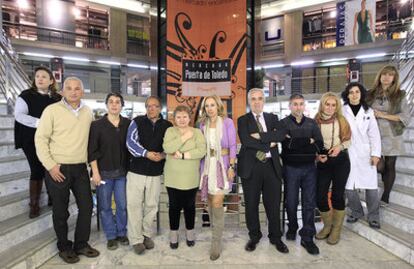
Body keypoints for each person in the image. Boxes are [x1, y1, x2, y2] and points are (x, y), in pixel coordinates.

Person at [35, 77, 99, 264]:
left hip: (80, 168)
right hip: (58, 168)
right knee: (61, 211)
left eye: (77, 88)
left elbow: (90, 141)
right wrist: (50, 165)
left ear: (82, 91)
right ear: (62, 91)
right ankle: (64, 245)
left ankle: (81, 243)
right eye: (69, 88)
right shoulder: (52, 110)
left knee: (87, 207)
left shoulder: (88, 112)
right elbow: (40, 139)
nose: (73, 91)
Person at [237, 88, 289, 254]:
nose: (257, 101)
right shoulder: (243, 120)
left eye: (260, 98)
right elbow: (246, 141)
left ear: (264, 100)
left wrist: (261, 136)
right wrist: (269, 141)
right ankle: (254, 236)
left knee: (273, 204)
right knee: (251, 204)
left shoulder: (272, 118)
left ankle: (276, 237)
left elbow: (282, 135)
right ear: (249, 102)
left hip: (271, 167)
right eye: (253, 99)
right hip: (251, 167)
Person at [126, 96, 172, 255]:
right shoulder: (137, 121)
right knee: (134, 205)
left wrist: (164, 154)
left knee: (152, 205)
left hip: (155, 172)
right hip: (136, 171)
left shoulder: (168, 125)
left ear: (160, 108)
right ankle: (135, 239)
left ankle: (146, 235)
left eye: (155, 106)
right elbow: (130, 143)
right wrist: (146, 153)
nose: (151, 109)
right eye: (148, 106)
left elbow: (172, 144)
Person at [14, 66, 61, 218]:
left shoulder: (56, 99)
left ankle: (52, 197)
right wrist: (41, 123)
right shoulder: (26, 95)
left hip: (51, 139)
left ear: (51, 81)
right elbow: (19, 116)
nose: (40, 79)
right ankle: (34, 204)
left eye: (44, 77)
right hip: (30, 138)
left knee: (50, 167)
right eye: (37, 76)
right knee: (36, 169)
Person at [281, 94, 323, 255]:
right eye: (295, 104)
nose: (298, 107)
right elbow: (287, 145)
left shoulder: (312, 123)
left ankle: (307, 237)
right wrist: (308, 142)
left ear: (304, 106)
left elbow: (319, 143)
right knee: (290, 202)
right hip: (290, 168)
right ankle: (292, 226)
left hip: (309, 169)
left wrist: (297, 142)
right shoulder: (283, 123)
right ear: (290, 106)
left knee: (309, 203)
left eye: (301, 104)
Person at [88, 93, 131, 250]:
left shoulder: (128, 124)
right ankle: (111, 236)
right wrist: (95, 173)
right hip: (103, 173)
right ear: (106, 105)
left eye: (117, 102)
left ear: (122, 105)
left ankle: (121, 232)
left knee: (122, 205)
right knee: (105, 206)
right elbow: (92, 151)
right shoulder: (97, 125)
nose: (114, 105)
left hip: (122, 173)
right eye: (111, 102)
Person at [198, 95, 237, 260]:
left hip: (223, 166)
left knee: (217, 203)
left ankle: (216, 242)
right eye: (207, 106)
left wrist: (232, 166)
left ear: (218, 106)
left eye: (212, 105)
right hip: (207, 167)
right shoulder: (202, 124)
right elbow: (201, 148)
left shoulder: (227, 122)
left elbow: (233, 145)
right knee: (209, 204)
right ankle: (216, 233)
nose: (210, 108)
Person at [163, 105, 206, 249]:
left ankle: (190, 234)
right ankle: (173, 235)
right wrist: (184, 138)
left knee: (189, 206)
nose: (182, 120)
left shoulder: (197, 132)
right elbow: (168, 148)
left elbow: (201, 150)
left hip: (190, 176)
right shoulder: (170, 130)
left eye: (185, 117)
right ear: (174, 119)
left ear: (189, 118)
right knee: (174, 207)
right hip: (173, 176)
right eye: (178, 117)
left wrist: (182, 155)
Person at [366, 65, 410, 205]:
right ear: (379, 76)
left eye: (390, 75)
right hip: (373, 134)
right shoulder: (370, 93)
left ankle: (386, 195)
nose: (386, 77)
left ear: (394, 78)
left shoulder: (400, 94)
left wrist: (383, 115)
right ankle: (383, 184)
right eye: (384, 74)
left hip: (391, 134)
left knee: (391, 164)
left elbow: (405, 116)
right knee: (379, 165)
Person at [341, 82, 382, 229]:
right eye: (351, 92)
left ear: (361, 94)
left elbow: (374, 135)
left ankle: (374, 216)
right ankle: (357, 211)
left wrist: (376, 154)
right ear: (347, 95)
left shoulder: (368, 111)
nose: (354, 95)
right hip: (348, 152)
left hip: (366, 153)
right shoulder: (342, 110)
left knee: (371, 187)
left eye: (357, 92)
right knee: (349, 186)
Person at [314, 92, 351, 245]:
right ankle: (327, 226)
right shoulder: (315, 121)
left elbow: (348, 139)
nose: (330, 108)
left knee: (337, 195)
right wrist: (316, 156)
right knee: (320, 195)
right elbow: (312, 142)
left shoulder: (341, 120)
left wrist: (340, 147)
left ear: (337, 107)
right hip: (323, 161)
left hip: (341, 160)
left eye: (333, 105)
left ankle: (336, 229)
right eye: (327, 104)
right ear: (322, 105)